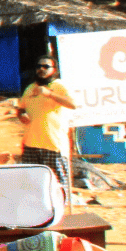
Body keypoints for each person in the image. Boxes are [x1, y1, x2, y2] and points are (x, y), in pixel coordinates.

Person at [13, 54, 78, 196]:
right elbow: (21, 107)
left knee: (58, 184)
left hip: (52, 145)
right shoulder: (30, 88)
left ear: (54, 70)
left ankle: (60, 212)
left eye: (46, 66)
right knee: (32, 183)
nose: (41, 69)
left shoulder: (59, 86)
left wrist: (49, 94)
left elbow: (73, 104)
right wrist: (21, 114)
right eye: (38, 66)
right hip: (31, 144)